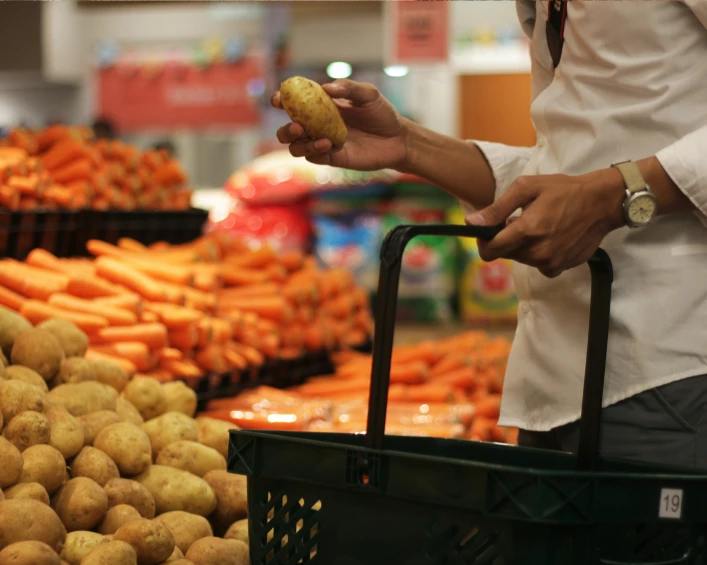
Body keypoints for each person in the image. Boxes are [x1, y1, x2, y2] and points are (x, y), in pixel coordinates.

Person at [273, 1, 707, 468]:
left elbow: (597, 182)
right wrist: (408, 146)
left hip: (666, 366)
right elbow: (565, 169)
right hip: (553, 378)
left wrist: (615, 193)